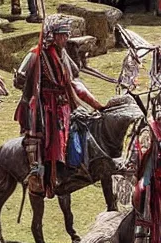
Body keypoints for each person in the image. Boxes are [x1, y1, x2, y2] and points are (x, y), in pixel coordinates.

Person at [14, 14, 103, 198]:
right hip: (44, 107)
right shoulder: (35, 54)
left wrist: (96, 104)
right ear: (51, 36)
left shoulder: (62, 54)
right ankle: (39, 173)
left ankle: (75, 167)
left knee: (82, 126)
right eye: (61, 35)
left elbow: (73, 82)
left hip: (63, 105)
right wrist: (25, 78)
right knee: (46, 138)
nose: (65, 38)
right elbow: (20, 79)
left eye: (66, 35)